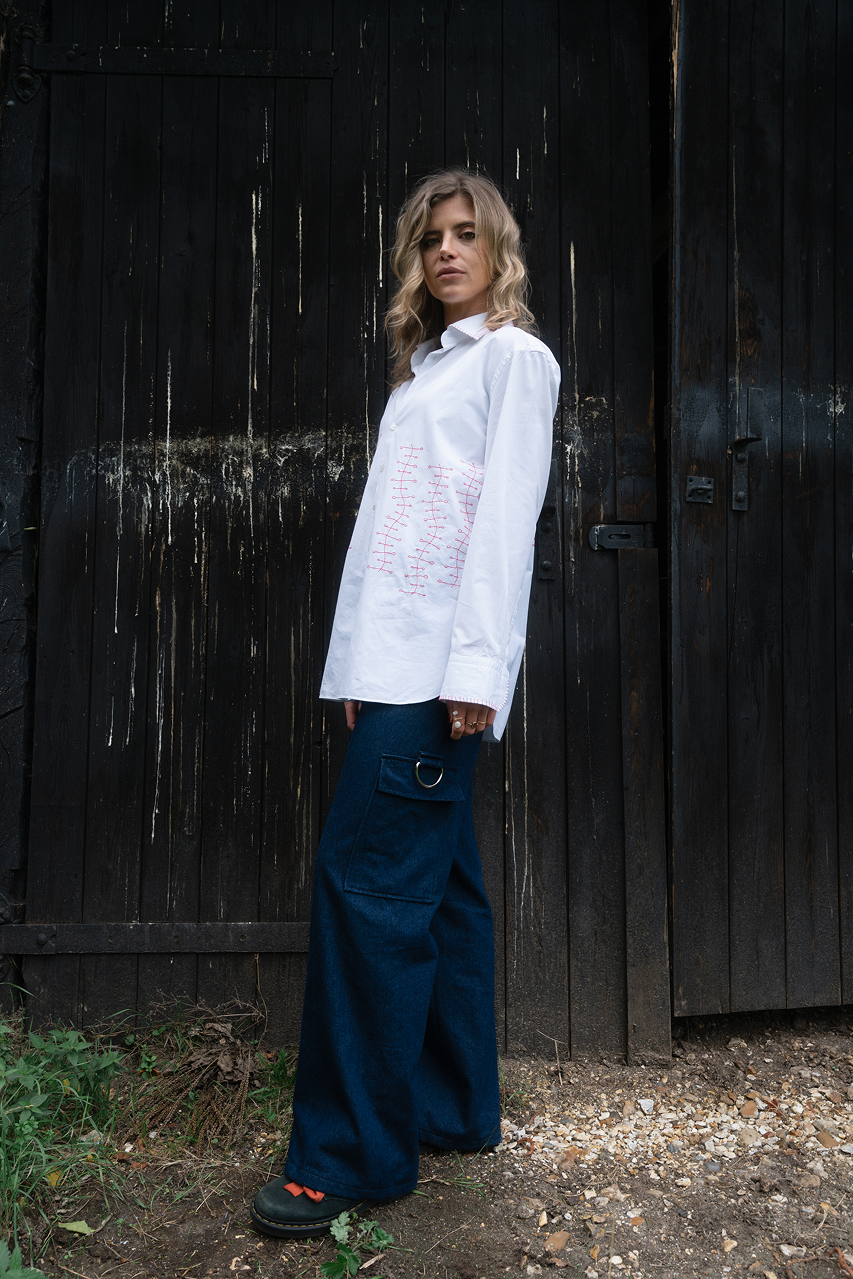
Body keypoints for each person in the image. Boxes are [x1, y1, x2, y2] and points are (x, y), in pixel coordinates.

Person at [250, 167, 560, 1239]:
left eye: (467, 234)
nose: (447, 252)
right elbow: (387, 535)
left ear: (497, 249)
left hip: (436, 676)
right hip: (394, 670)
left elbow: (505, 521)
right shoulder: (423, 372)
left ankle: (347, 1155)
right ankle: (451, 1108)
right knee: (443, 894)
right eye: (431, 238)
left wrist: (474, 672)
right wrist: (353, 667)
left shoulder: (512, 360)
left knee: (366, 896)